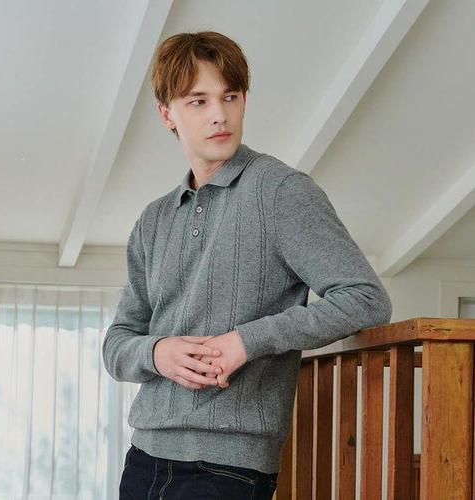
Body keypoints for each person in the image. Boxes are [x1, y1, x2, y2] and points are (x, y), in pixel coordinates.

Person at [102, 30, 392, 500]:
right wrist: (157, 353)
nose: (219, 114)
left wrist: (246, 341)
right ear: (167, 114)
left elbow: (366, 299)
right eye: (198, 101)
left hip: (229, 468)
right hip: (144, 458)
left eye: (230, 97)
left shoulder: (282, 192)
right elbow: (117, 343)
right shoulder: (152, 220)